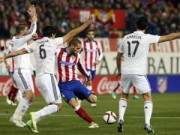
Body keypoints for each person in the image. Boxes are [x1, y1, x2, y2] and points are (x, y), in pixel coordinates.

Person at [1, 17, 93, 132]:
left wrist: (5, 56)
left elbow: (20, 51)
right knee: (58, 105)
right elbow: (72, 33)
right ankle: (35, 115)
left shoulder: (36, 43)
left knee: (52, 104)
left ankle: (32, 122)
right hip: (48, 77)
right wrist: (85, 25)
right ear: (53, 34)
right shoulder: (53, 42)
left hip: (38, 78)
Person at [116, 16, 180, 133]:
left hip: (125, 71)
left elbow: (119, 56)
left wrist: (119, 70)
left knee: (124, 95)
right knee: (147, 96)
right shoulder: (147, 37)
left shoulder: (125, 38)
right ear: (146, 27)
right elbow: (170, 37)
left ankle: (120, 119)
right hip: (138, 72)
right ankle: (147, 123)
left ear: (135, 25)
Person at [1, 5, 38, 128]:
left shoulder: (22, 40)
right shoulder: (17, 40)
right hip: (21, 71)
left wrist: (34, 21)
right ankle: (16, 117)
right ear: (22, 31)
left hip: (27, 71)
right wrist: (33, 18)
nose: (27, 31)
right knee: (28, 95)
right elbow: (32, 32)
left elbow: (32, 36)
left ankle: (17, 117)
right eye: (26, 30)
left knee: (31, 98)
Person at [57, 38, 99, 128]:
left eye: (79, 49)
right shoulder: (57, 52)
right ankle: (93, 123)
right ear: (71, 46)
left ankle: (82, 95)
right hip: (63, 86)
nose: (78, 50)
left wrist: (88, 76)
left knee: (93, 100)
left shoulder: (77, 56)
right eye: (77, 48)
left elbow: (81, 67)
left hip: (76, 83)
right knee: (74, 105)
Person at [81, 30, 103, 107]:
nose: (91, 36)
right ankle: (91, 100)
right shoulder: (83, 44)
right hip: (86, 66)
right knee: (89, 82)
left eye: (92, 34)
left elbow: (101, 54)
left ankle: (80, 96)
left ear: (94, 35)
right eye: (89, 34)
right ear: (87, 35)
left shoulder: (97, 43)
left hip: (94, 66)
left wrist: (98, 60)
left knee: (88, 84)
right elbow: (78, 52)